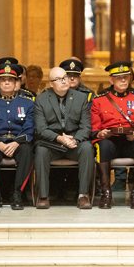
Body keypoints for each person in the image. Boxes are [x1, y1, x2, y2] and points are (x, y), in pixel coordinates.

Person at [91, 61, 134, 209]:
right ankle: (106, 193)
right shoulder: (99, 101)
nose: (123, 80)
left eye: (126, 77)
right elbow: (94, 128)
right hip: (110, 142)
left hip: (131, 142)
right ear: (111, 80)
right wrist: (100, 133)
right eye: (119, 77)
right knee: (103, 146)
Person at [34, 67, 94, 209]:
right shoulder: (41, 99)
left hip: (74, 143)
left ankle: (83, 195)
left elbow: (86, 127)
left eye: (65, 77)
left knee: (87, 148)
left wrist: (75, 139)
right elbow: (41, 129)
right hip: (52, 143)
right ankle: (43, 196)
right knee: (41, 150)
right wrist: (60, 138)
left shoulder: (81, 98)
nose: (64, 81)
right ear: (51, 84)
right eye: (59, 79)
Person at [0, 61, 35, 210]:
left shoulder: (28, 103)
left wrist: (16, 142)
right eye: (3, 80)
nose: (7, 83)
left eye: (10, 80)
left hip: (18, 143)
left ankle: (17, 193)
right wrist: (0, 143)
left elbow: (29, 128)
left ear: (17, 82)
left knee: (27, 151)